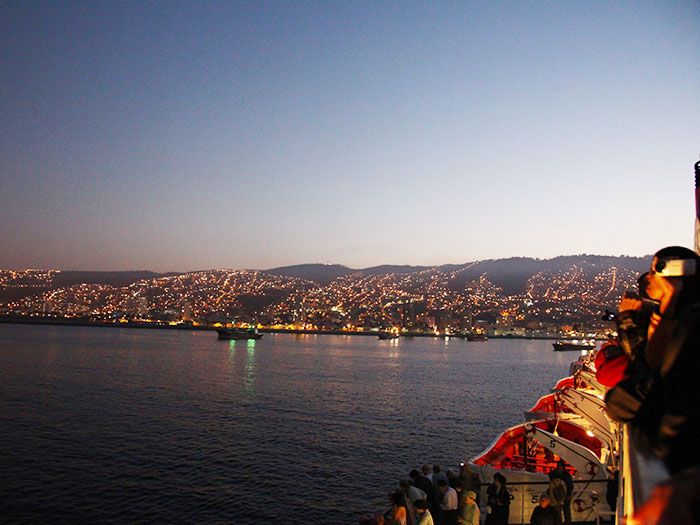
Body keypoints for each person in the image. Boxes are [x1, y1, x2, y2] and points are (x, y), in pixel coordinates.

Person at [603, 247, 700, 521]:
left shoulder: (691, 327)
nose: (647, 279)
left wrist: (627, 321)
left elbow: (643, 370)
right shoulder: (681, 318)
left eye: (655, 270)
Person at [552, 461, 573, 525]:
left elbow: (570, 485)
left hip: (564, 495)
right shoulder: (565, 475)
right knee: (562, 510)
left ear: (562, 467)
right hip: (560, 495)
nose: (557, 467)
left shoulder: (565, 476)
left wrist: (568, 494)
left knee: (565, 510)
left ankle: (565, 522)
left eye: (558, 466)